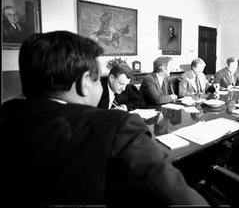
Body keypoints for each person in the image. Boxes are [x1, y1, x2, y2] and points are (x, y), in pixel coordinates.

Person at [0, 31, 207, 206]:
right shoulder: (116, 128)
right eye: (98, 78)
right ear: (84, 83)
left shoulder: (7, 113)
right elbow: (182, 200)